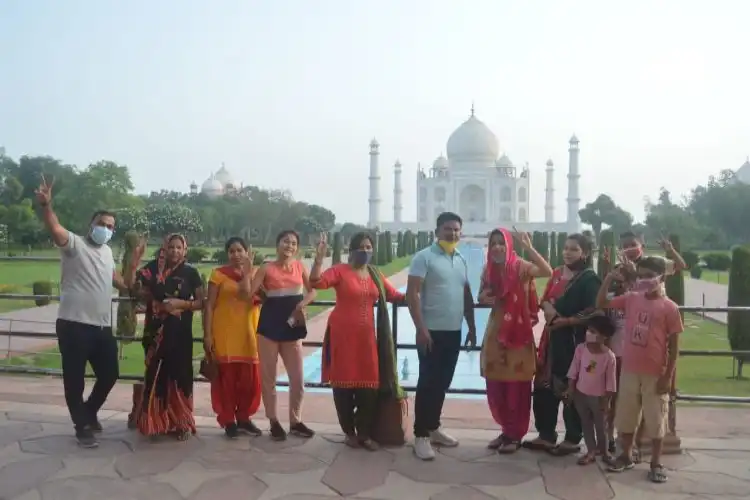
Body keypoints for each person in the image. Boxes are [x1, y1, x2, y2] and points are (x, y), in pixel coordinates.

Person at [34, 175, 140, 448]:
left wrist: (134, 262)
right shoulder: (75, 245)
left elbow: (124, 285)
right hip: (74, 325)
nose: (105, 229)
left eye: (110, 227)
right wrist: (46, 206)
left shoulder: (106, 253)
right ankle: (82, 425)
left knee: (110, 374)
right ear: (90, 225)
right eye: (101, 224)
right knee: (75, 379)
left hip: (101, 327)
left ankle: (88, 412)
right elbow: (55, 228)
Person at [310, 232, 405, 450]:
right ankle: (349, 432)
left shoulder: (374, 274)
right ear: (352, 250)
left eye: (369, 247)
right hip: (342, 337)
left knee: (369, 386)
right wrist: (318, 259)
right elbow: (316, 282)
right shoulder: (340, 271)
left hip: (367, 340)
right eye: (361, 247)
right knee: (343, 386)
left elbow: (393, 295)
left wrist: (418, 295)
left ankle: (364, 433)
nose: (366, 251)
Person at [597, 256, 682, 484]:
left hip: (655, 372)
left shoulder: (670, 308)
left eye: (649, 276)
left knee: (656, 419)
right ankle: (625, 455)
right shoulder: (632, 299)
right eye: (641, 275)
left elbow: (674, 348)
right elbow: (602, 303)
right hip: (630, 370)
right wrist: (608, 279)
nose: (644, 280)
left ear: (661, 277)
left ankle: (656, 462)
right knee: (626, 416)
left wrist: (668, 376)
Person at [522, 233, 601, 456]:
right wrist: (549, 309)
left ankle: (573, 438)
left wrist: (564, 321)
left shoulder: (589, 279)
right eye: (566, 248)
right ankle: (546, 434)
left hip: (573, 342)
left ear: (584, 253)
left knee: (569, 389)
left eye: (574, 249)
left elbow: (593, 312)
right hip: (551, 340)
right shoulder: (556, 274)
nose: (568, 252)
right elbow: (545, 299)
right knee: (543, 388)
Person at [406, 212, 477, 461]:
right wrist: (421, 328)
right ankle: (420, 435)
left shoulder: (460, 259)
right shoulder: (423, 258)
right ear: (437, 231)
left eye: (457, 229)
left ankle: (434, 427)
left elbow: (466, 294)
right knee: (428, 383)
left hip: (453, 331)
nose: (453, 234)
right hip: (431, 332)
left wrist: (472, 326)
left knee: (443, 382)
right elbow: (412, 294)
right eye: (448, 229)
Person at [611, 231, 686, 458]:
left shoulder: (656, 264)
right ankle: (626, 447)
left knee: (654, 407)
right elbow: (612, 297)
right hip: (630, 336)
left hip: (656, 336)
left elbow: (681, 266)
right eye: (624, 245)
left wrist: (670, 250)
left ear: (641, 244)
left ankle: (648, 452)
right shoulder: (622, 267)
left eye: (632, 244)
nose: (629, 249)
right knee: (626, 401)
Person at [478, 227, 553, 454]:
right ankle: (506, 430)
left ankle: (515, 434)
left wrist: (528, 248)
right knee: (496, 386)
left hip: (518, 336)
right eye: (493, 243)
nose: (498, 247)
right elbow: (481, 295)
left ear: (509, 245)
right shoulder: (488, 270)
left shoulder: (520, 267)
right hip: (495, 333)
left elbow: (546, 270)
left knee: (516, 387)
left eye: (502, 242)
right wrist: (482, 297)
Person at [242, 230, 317, 441]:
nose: (289, 246)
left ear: (297, 247)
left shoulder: (300, 267)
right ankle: (273, 421)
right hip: (268, 327)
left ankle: (295, 421)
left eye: (293, 243)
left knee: (298, 378)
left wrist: (302, 303)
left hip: (292, 328)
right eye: (286, 241)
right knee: (269, 378)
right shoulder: (267, 268)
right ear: (278, 245)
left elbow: (313, 291)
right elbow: (250, 294)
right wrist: (248, 272)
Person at [134, 234, 204, 441]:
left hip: (180, 332)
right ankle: (155, 423)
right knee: (156, 374)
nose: (174, 251)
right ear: (165, 248)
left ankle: (181, 422)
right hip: (155, 333)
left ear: (185, 250)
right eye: (171, 247)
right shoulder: (153, 269)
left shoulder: (191, 273)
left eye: (178, 247)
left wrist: (182, 304)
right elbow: (135, 288)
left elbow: (202, 302)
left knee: (180, 374)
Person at [203, 237, 263, 439]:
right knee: (227, 380)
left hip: (249, 333)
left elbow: (252, 295)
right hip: (225, 333)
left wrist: (248, 273)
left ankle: (244, 418)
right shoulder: (218, 274)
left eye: (240, 250)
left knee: (249, 381)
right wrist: (207, 334)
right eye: (232, 251)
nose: (236, 254)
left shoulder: (256, 274)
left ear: (247, 252)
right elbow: (209, 305)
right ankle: (229, 420)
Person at [564, 314, 617, 466]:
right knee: (586, 424)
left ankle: (605, 451)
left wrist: (606, 401)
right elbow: (574, 370)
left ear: (604, 336)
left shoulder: (609, 357)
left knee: (601, 426)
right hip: (581, 395)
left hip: (598, 398)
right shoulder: (581, 349)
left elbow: (611, 382)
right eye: (589, 330)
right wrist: (570, 389)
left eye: (593, 331)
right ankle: (591, 451)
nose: (589, 333)